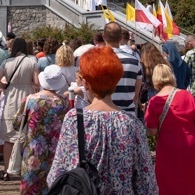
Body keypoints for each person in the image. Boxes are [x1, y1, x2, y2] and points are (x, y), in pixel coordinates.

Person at [47, 46, 157, 194]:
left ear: (86, 83)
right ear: (116, 81)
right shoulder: (132, 124)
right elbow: (147, 182)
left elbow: (58, 173)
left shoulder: (74, 120)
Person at [145, 64, 195, 195]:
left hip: (168, 149)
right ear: (171, 76)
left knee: (171, 184)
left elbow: (152, 131)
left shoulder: (154, 101)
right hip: (191, 145)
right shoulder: (187, 95)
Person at [13, 65, 69, 193]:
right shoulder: (63, 103)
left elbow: (16, 124)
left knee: (31, 189)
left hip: (33, 153)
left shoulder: (31, 100)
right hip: (55, 155)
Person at [0, 37, 39, 179]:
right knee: (25, 136)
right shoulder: (32, 62)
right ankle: (25, 170)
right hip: (27, 97)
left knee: (9, 138)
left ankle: (7, 170)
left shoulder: (6, 62)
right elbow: (37, 83)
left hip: (11, 98)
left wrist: (5, 87)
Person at [103, 22, 142, 114]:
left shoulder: (96, 60)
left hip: (103, 112)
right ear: (121, 38)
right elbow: (136, 93)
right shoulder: (134, 61)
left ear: (103, 37)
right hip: (128, 113)